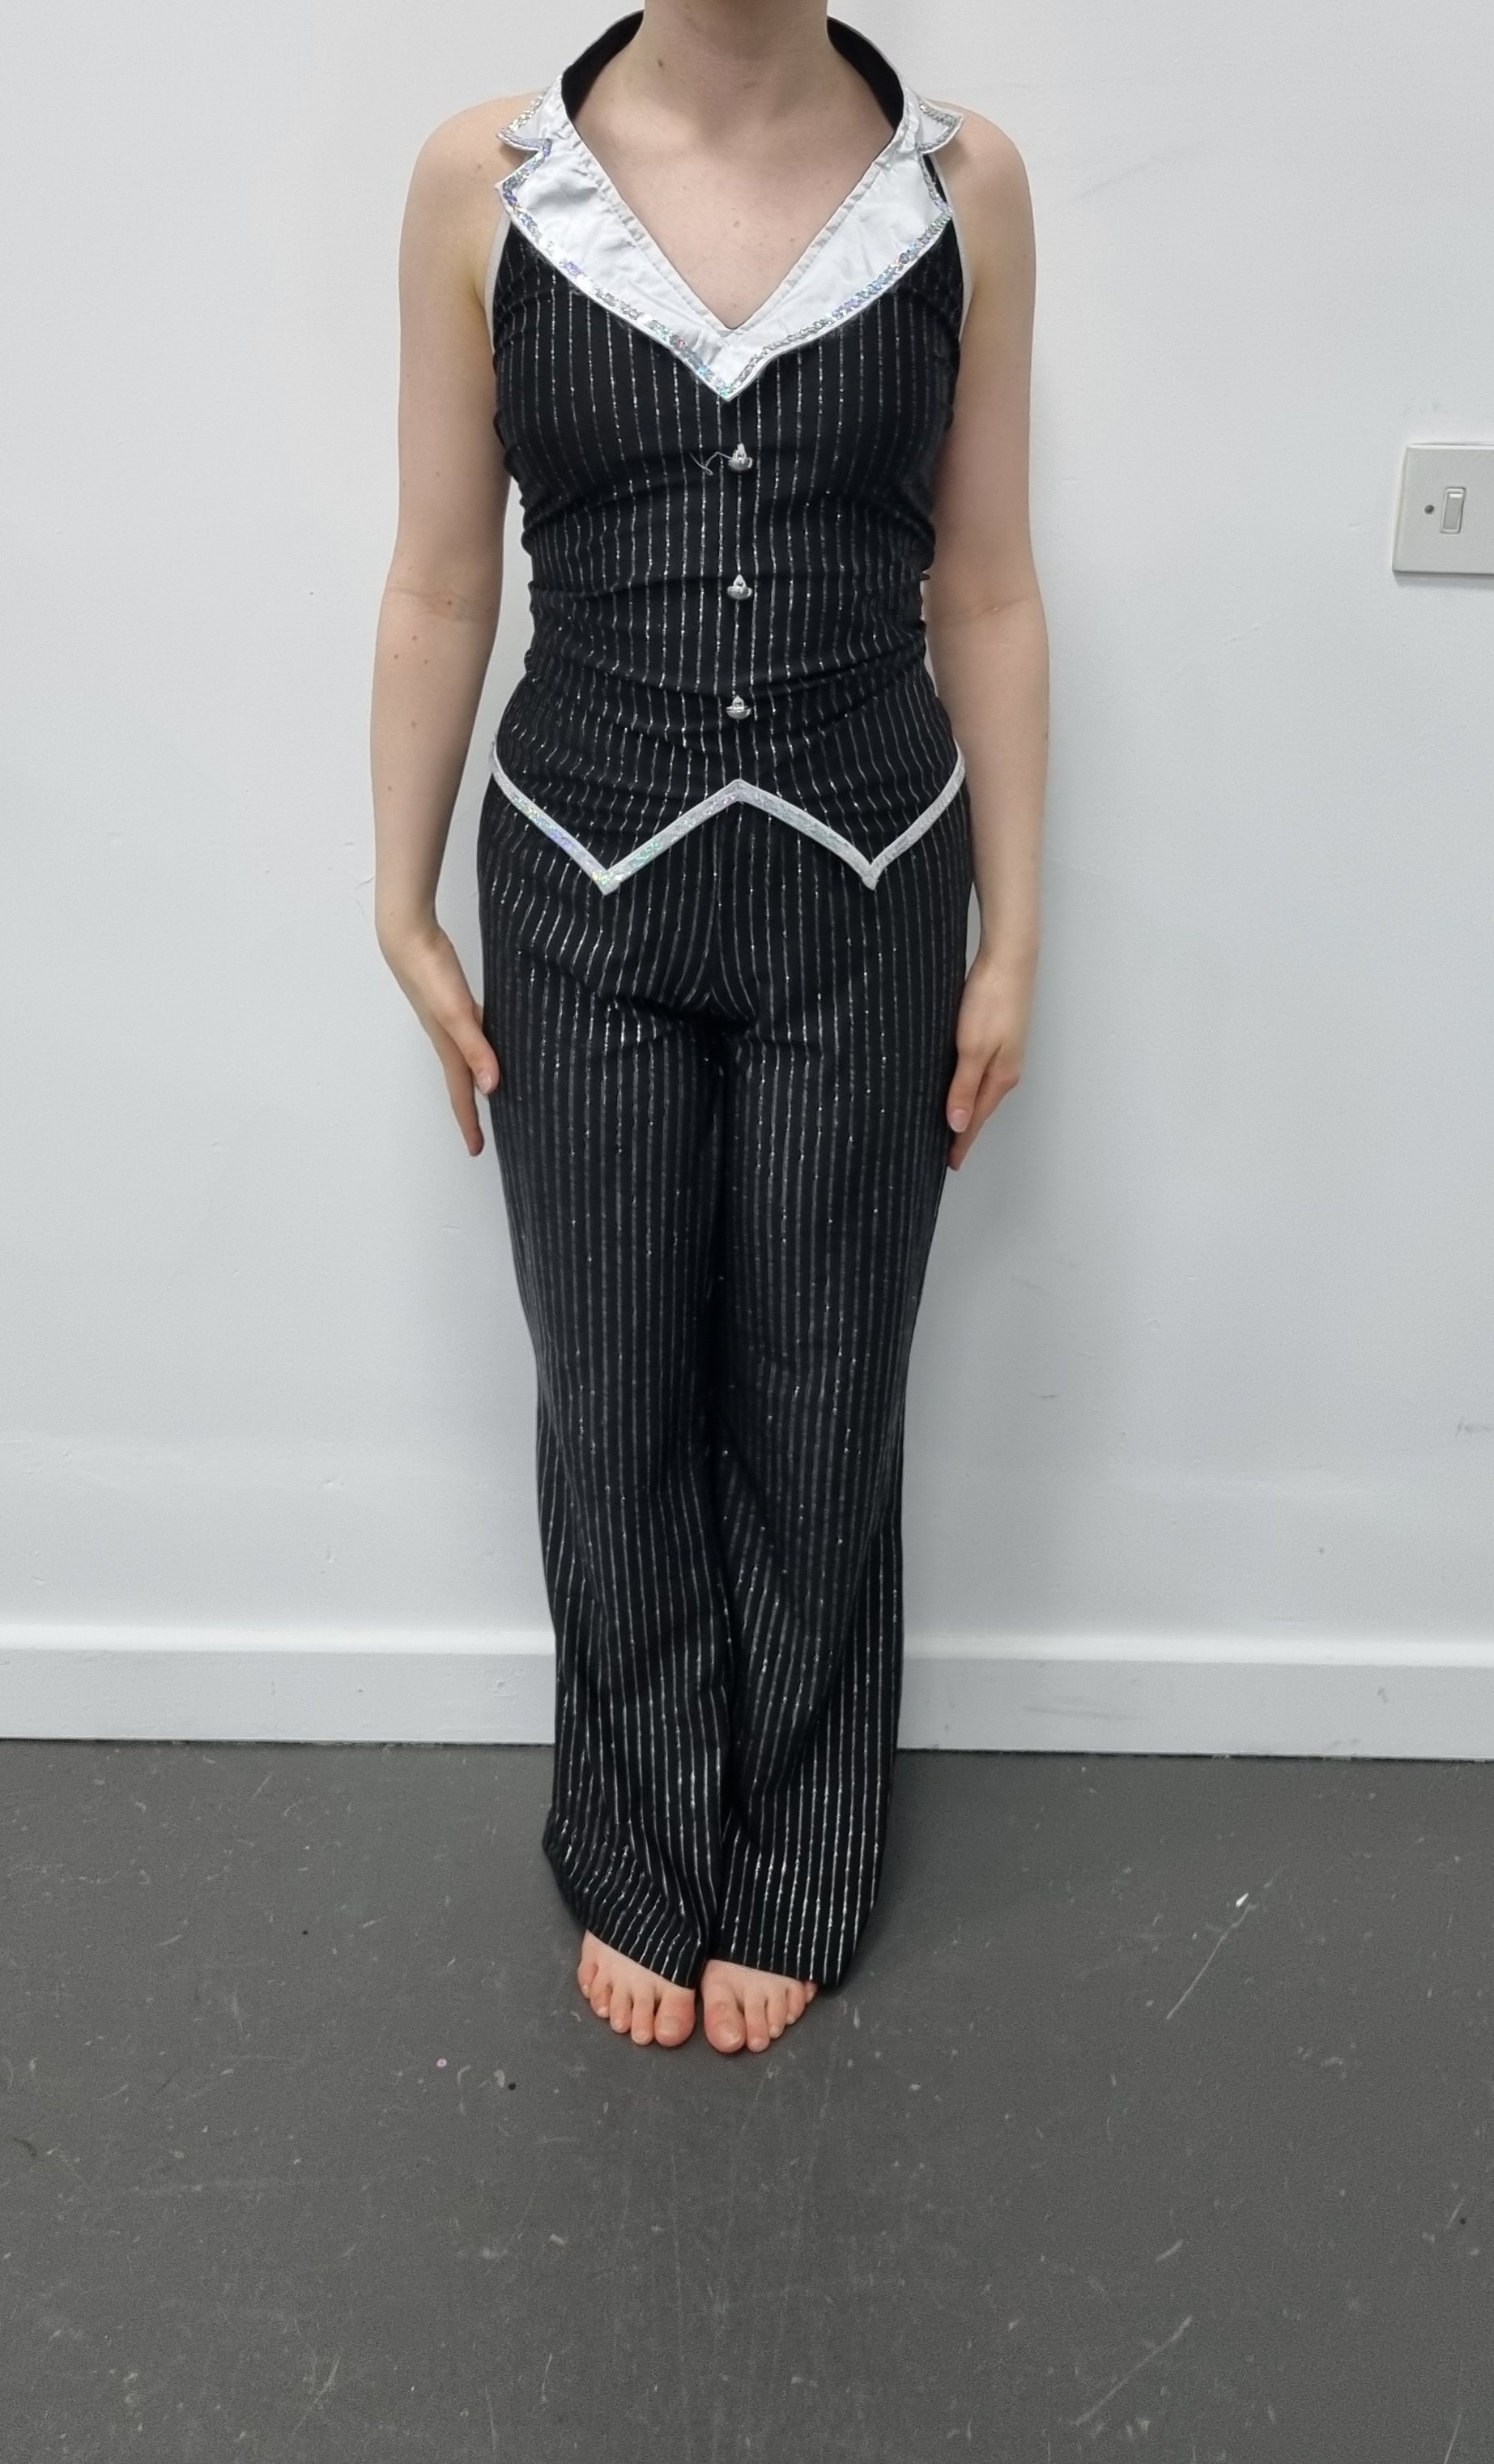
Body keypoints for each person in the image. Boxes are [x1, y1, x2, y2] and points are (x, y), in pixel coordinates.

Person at [372, 3, 1045, 2056]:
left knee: (823, 1382)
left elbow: (985, 589)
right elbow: (437, 583)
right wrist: (395, 897)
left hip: (870, 880)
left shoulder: (962, 187)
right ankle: (640, 1831)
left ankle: (801, 1840)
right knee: (609, 1384)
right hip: (576, 879)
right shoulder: (486, 185)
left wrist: (1014, 930)